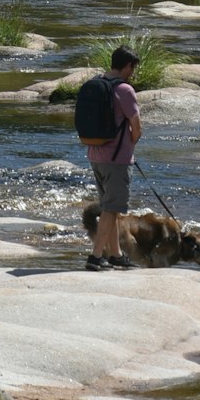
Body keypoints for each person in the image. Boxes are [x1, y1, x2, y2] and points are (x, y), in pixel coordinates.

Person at [85, 45, 141, 271]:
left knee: (111, 208)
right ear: (127, 66)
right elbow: (136, 128)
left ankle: (116, 255)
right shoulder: (125, 90)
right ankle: (96, 256)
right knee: (110, 210)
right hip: (117, 159)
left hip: (95, 154)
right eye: (133, 68)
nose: (133, 73)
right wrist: (130, 146)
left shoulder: (95, 83)